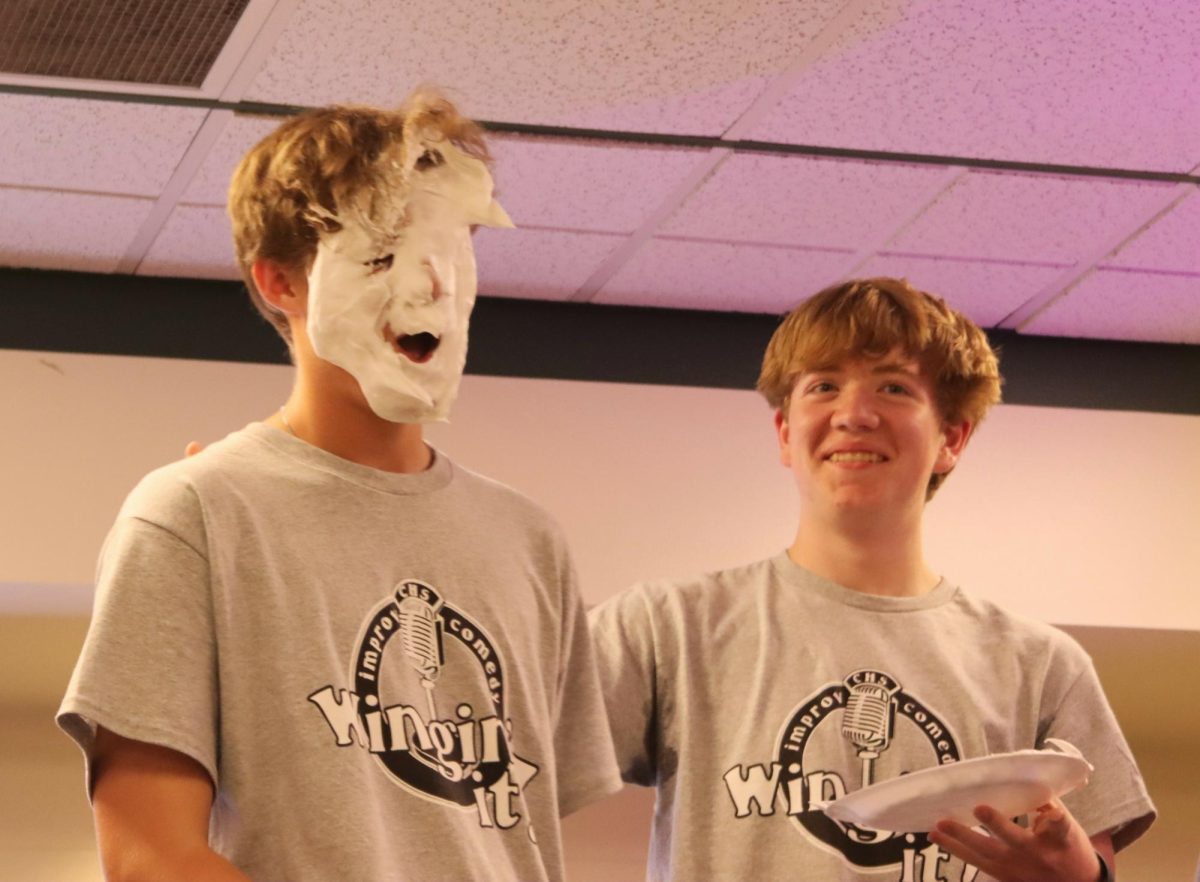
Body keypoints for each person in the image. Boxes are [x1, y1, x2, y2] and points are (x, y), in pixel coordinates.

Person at [58, 92, 621, 882]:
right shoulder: (195, 516)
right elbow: (151, 856)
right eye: (384, 252)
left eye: (455, 251)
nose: (433, 286)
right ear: (282, 283)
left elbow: (510, 833)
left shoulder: (528, 537)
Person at [589, 278, 1155, 882]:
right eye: (823, 386)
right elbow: (504, 769)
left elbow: (1092, 865)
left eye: (893, 387)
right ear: (785, 432)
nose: (854, 415)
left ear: (952, 437)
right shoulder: (664, 628)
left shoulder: (1043, 667)